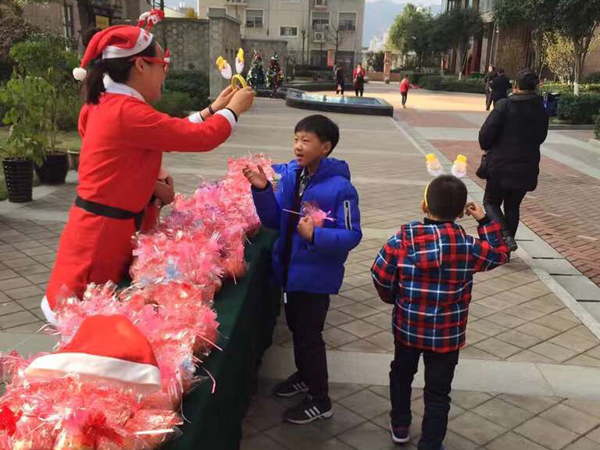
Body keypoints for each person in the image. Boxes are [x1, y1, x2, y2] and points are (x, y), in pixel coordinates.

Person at [41, 17, 255, 324]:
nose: (164, 72)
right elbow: (200, 138)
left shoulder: (106, 104)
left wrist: (213, 110)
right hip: (100, 240)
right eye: (161, 65)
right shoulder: (125, 111)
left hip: (104, 229)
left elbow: (157, 135)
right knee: (85, 320)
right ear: (140, 65)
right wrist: (234, 110)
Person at [371, 175, 509, 450]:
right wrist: (484, 221)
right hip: (447, 336)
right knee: (438, 392)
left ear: (424, 205)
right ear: (460, 213)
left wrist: (394, 299)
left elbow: (380, 274)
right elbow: (500, 253)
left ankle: (400, 424)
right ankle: (431, 443)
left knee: (401, 375)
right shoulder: (469, 247)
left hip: (408, 328)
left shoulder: (400, 241)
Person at [243, 115, 362, 425]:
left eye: (306, 141)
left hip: (315, 278)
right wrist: (262, 190)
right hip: (290, 272)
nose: (298, 146)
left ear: (325, 147)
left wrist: (315, 236)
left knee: (309, 337)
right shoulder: (293, 177)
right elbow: (274, 220)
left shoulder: (341, 189)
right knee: (298, 330)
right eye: (296, 139)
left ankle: (321, 400)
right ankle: (305, 375)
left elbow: (352, 235)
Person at [479, 68, 549, 254]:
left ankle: (506, 236)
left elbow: (484, 136)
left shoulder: (504, 106)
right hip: (527, 166)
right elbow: (540, 137)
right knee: (512, 206)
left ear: (516, 86)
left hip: (500, 165)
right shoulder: (541, 110)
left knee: (491, 203)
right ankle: (506, 250)